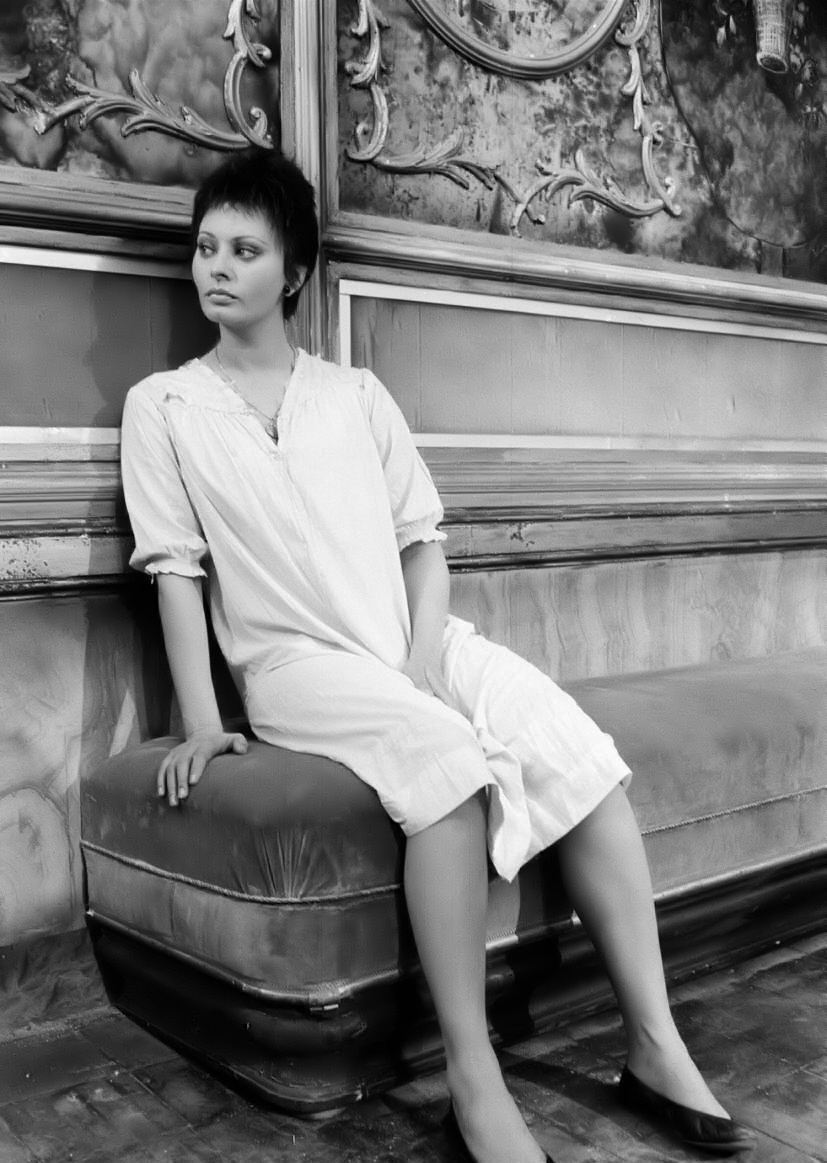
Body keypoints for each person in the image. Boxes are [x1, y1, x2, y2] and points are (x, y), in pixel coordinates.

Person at [120, 148, 753, 1163]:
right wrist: (203, 722)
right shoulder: (162, 406)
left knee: (576, 750)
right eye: (206, 248)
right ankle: (472, 1077)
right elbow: (176, 572)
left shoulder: (356, 393)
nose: (217, 268)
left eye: (244, 249)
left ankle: (654, 1044)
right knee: (447, 766)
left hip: (412, 639)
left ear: (293, 271)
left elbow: (423, 543)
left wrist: (421, 661)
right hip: (298, 668)